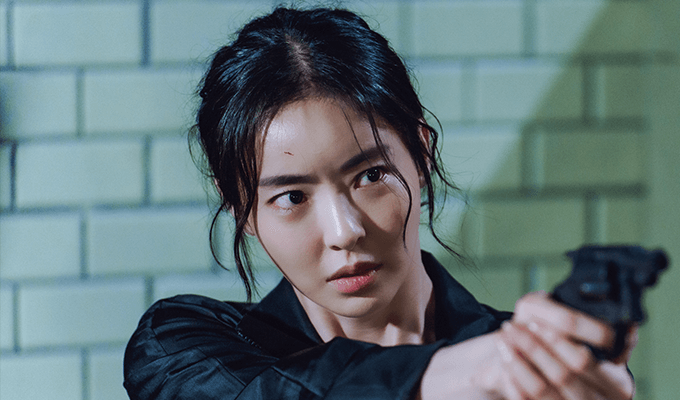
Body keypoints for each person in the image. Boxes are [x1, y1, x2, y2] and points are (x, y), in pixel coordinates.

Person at [124, 7, 636, 400]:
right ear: (242, 210)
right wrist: (464, 375)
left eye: (370, 176)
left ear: (422, 155)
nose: (344, 231)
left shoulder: (532, 367)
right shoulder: (185, 350)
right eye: (292, 197)